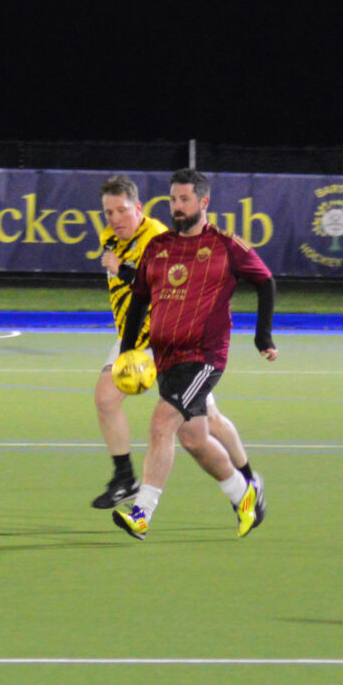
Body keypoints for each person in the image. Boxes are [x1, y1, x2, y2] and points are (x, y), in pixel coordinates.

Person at [111, 168, 277, 540]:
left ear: (203, 202)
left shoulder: (225, 245)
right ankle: (244, 495)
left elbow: (265, 280)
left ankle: (142, 512)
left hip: (203, 356)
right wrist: (128, 352)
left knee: (161, 424)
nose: (177, 206)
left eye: (184, 199)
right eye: (173, 199)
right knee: (194, 439)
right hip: (166, 356)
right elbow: (139, 298)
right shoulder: (159, 247)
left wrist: (262, 336)